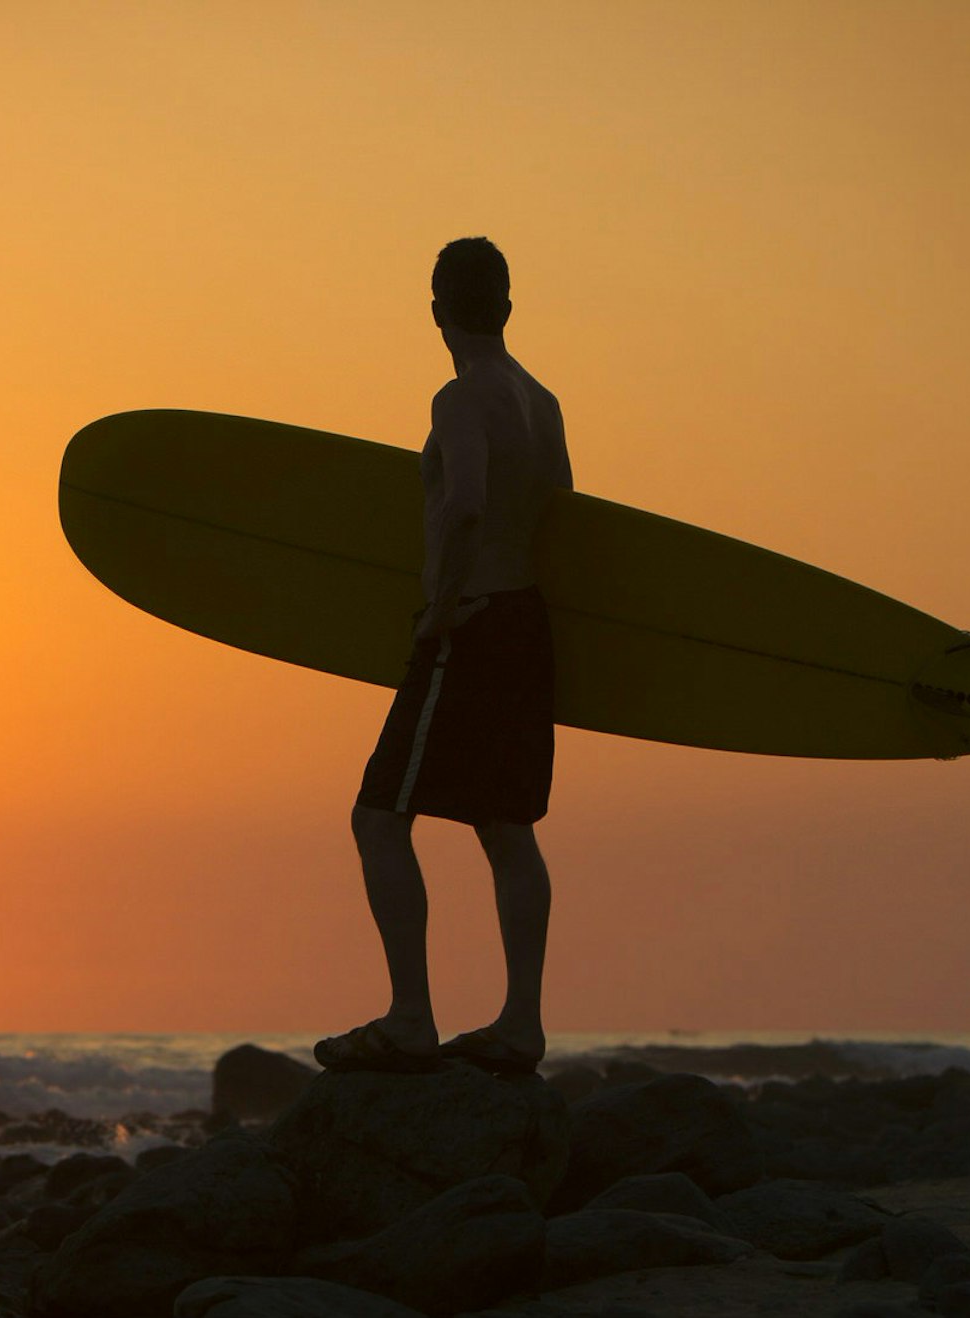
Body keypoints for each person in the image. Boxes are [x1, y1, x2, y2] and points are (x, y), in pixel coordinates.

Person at [314, 237, 574, 1076]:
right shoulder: (543, 400)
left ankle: (410, 1018)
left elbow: (464, 502)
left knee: (379, 815)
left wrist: (444, 610)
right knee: (508, 827)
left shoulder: (461, 399)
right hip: (528, 623)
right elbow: (562, 517)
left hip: (469, 625)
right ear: (506, 304)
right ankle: (522, 1026)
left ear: (437, 312)